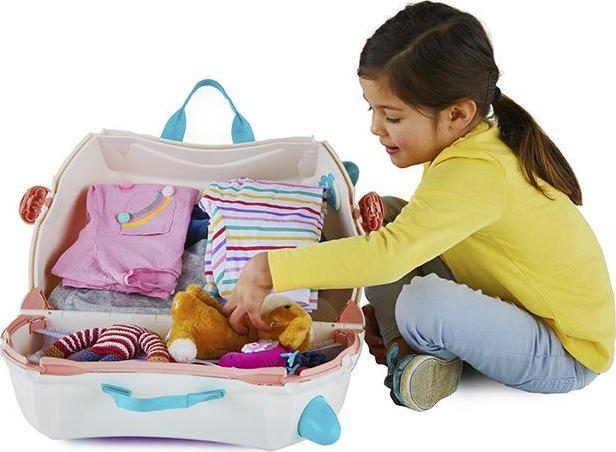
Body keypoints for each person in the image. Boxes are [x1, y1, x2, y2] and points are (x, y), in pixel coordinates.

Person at [222, 1, 614, 411]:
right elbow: (395, 244)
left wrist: (270, 269)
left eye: (392, 117)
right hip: (509, 306)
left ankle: (414, 350)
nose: (375, 127)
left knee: (420, 300)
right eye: (372, 110)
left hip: (563, 353)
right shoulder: (470, 145)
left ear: (457, 114)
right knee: (385, 216)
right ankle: (404, 348)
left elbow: (389, 257)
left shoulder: (478, 170)